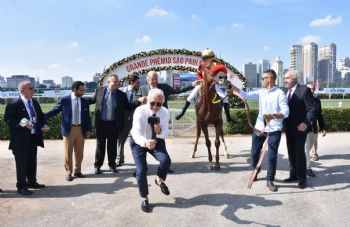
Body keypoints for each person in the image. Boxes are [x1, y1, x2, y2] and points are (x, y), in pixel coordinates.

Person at [228, 69, 289, 191]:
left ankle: (270, 179)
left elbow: (286, 112)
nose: (261, 80)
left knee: (272, 156)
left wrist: (273, 116)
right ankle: (256, 168)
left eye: (263, 78)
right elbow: (244, 94)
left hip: (274, 130)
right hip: (259, 129)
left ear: (269, 79)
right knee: (254, 153)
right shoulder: (261, 92)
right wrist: (229, 85)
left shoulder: (280, 94)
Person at [131, 71, 200, 175]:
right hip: (146, 120)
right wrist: (139, 99)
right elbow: (133, 100)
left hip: (159, 119)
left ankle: (165, 166)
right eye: (152, 79)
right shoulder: (143, 88)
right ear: (147, 79)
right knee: (143, 143)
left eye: (156, 79)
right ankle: (141, 168)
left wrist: (192, 85)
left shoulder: (164, 87)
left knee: (161, 142)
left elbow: (178, 90)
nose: (155, 81)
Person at [4, 81, 50, 195]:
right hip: (20, 140)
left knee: (32, 161)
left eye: (33, 88)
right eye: (30, 88)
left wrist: (44, 124)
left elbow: (41, 116)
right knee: (21, 163)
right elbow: (8, 119)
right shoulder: (14, 104)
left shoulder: (34, 102)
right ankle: (21, 186)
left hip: (33, 137)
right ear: (22, 90)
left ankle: (32, 182)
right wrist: (22, 124)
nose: (33, 90)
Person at [130, 88, 171, 212]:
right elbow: (136, 133)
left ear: (162, 103)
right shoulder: (139, 111)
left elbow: (165, 133)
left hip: (155, 139)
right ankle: (145, 198)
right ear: (147, 100)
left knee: (166, 160)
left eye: (159, 104)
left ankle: (159, 180)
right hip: (139, 142)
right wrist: (145, 142)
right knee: (141, 170)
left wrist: (159, 131)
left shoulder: (164, 112)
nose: (155, 106)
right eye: (152, 103)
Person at [88, 74, 135, 174]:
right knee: (100, 145)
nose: (117, 83)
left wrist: (138, 101)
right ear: (109, 82)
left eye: (118, 82)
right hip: (100, 123)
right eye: (114, 81)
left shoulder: (121, 95)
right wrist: (79, 99)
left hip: (114, 124)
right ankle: (98, 166)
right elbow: (91, 101)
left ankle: (112, 165)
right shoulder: (99, 91)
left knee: (112, 145)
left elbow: (128, 107)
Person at [175, 48, 238, 123]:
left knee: (225, 98)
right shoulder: (201, 64)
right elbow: (198, 73)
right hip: (201, 83)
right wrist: (201, 79)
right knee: (191, 97)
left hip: (212, 84)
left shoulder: (215, 65)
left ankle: (229, 117)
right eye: (203, 58)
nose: (203, 59)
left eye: (205, 58)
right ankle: (182, 113)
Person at [45, 81, 91, 181]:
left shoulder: (85, 101)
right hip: (68, 130)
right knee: (68, 152)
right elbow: (55, 110)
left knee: (79, 152)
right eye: (81, 90)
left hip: (80, 129)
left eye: (84, 90)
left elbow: (87, 117)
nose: (83, 92)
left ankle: (77, 171)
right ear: (74, 89)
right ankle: (68, 172)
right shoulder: (65, 100)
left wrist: (88, 130)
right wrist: (43, 117)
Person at [283, 70, 315, 189]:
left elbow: (312, 109)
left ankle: (302, 178)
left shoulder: (304, 90)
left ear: (294, 79)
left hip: (300, 128)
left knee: (300, 153)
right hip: (288, 127)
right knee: (291, 152)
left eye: (287, 78)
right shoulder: (284, 91)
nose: (285, 80)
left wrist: (306, 123)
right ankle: (293, 175)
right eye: (285, 78)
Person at [116, 75, 140, 166]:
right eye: (137, 82)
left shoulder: (140, 92)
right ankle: (119, 159)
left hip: (136, 120)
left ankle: (139, 161)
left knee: (138, 141)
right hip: (124, 119)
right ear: (131, 82)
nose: (139, 84)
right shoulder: (121, 91)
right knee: (120, 139)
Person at [304, 83, 326, 177]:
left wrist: (323, 128)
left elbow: (319, 115)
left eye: (313, 89)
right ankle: (307, 168)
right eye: (309, 89)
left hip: (314, 128)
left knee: (309, 148)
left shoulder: (317, 101)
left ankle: (302, 162)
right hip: (304, 128)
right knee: (306, 148)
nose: (311, 91)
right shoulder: (301, 100)